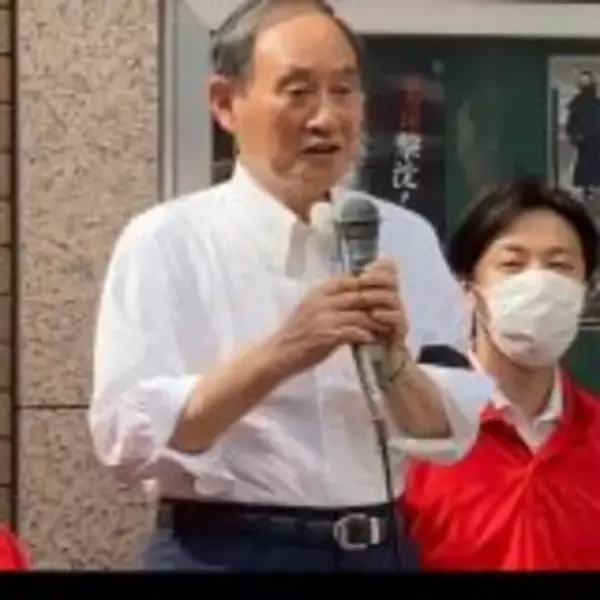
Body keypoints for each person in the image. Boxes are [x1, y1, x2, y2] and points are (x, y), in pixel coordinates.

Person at [88, 0, 492, 572]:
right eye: (298, 92)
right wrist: (284, 351)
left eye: (344, 91)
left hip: (380, 546)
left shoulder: (405, 236)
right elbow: (125, 440)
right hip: (227, 548)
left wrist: (394, 364)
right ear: (224, 103)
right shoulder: (167, 240)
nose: (326, 118)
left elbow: (449, 433)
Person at [402, 179, 600, 571]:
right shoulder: (413, 434)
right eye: (512, 264)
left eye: (559, 266)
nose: (538, 283)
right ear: (465, 287)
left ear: (586, 289)